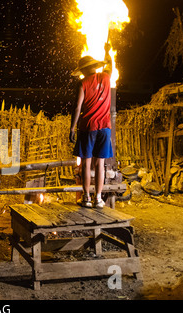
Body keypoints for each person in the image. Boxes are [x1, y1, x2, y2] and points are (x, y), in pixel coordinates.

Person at [69, 43, 113, 209]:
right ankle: (99, 198)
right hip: (105, 127)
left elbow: (77, 107)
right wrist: (108, 52)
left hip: (88, 127)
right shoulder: (107, 78)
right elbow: (110, 64)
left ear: (83, 70)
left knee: (86, 164)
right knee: (100, 163)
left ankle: (86, 197)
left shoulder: (82, 84)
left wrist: (72, 127)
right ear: (94, 66)